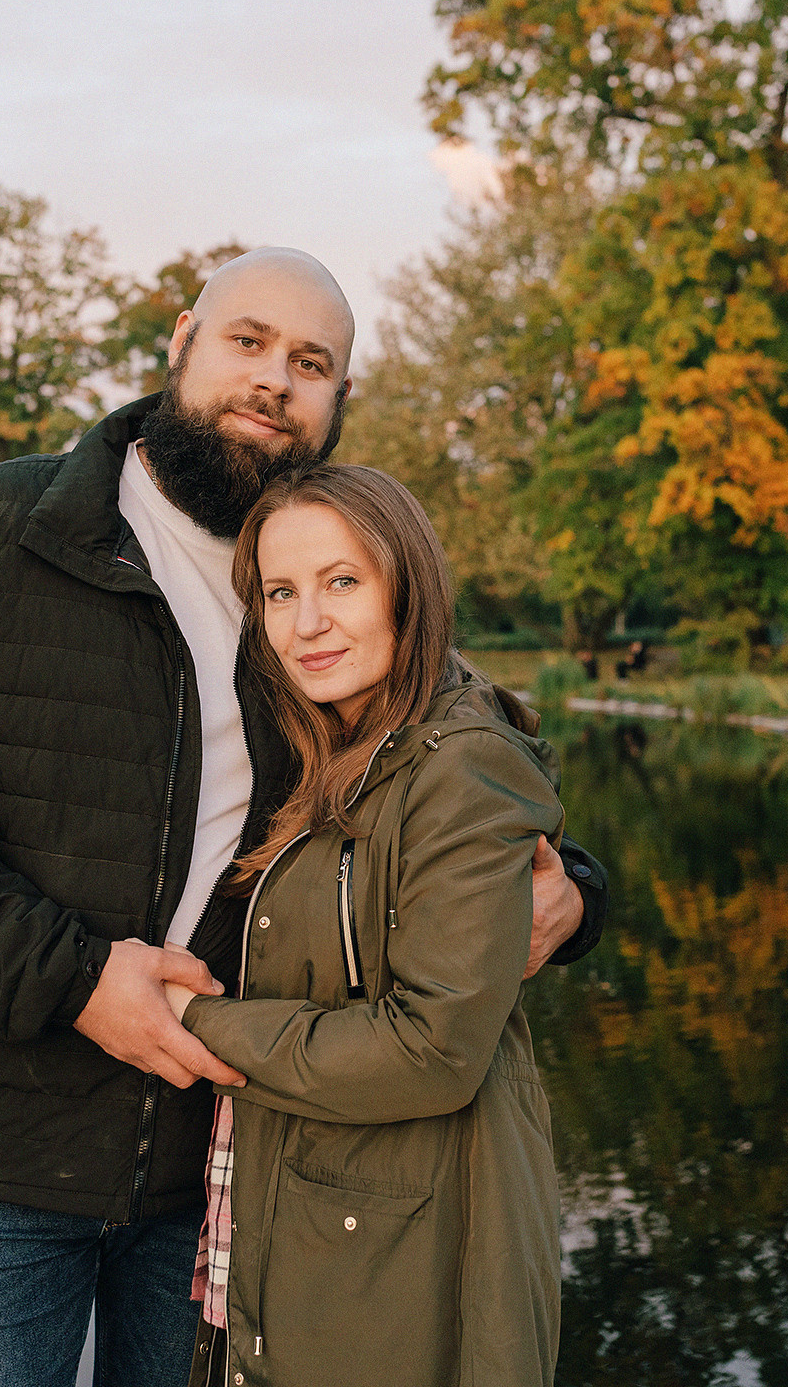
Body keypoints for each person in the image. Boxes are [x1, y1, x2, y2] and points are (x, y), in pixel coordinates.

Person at [0, 248, 606, 1387]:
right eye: (247, 341)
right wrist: (75, 981)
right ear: (181, 343)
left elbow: (459, 762)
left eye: (310, 362)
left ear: (338, 402)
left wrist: (574, 891)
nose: (274, 379)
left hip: (230, 1162)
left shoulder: (320, 580)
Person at [166, 464, 565, 1387]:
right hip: (312, 1230)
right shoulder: (335, 746)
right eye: (280, 593)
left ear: (407, 586)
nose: (307, 623)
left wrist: (193, 1021)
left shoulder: (461, 765)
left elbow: (434, 1047)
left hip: (409, 1258)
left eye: (342, 582)